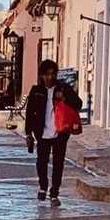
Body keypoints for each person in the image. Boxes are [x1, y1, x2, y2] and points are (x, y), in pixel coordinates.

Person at [25, 59, 83, 207]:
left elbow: (79, 104)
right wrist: (28, 133)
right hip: (42, 132)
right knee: (41, 162)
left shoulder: (63, 88)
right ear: (42, 75)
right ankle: (43, 186)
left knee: (58, 163)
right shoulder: (36, 91)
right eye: (47, 74)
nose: (50, 77)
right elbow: (30, 112)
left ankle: (54, 193)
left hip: (60, 132)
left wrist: (65, 98)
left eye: (53, 74)